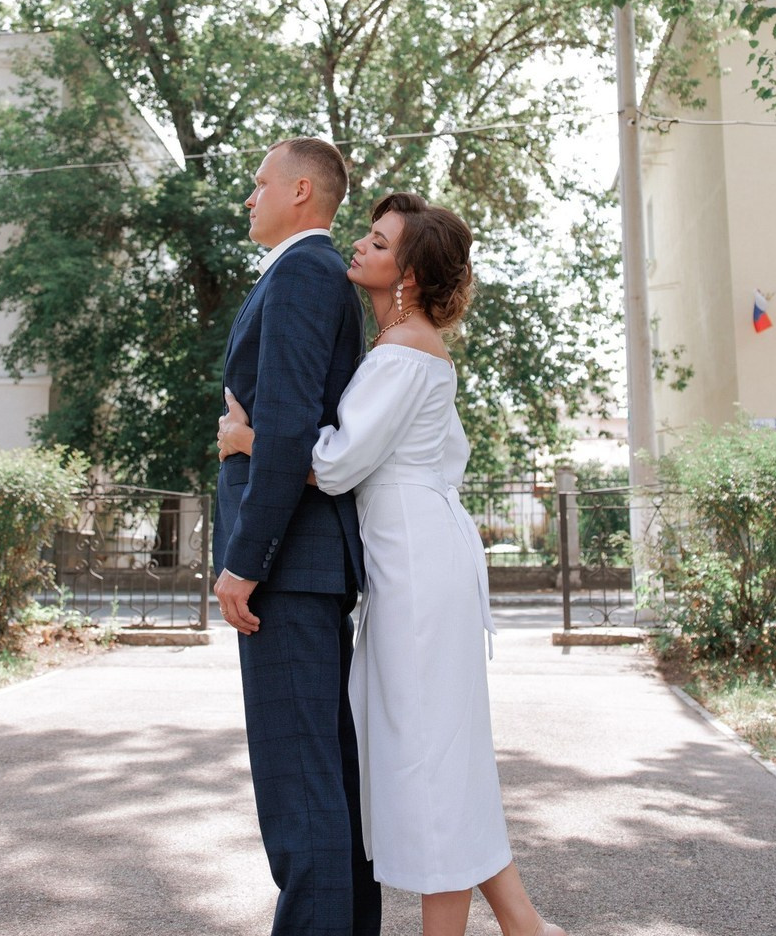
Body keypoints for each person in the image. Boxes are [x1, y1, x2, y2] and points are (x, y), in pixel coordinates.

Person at [219, 191, 569, 936]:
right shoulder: (401, 347)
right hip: (409, 555)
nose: (361, 249)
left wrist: (249, 440)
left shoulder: (405, 351)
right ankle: (522, 923)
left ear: (406, 274)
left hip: (416, 564)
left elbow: (339, 464)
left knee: (427, 755)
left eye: (379, 244)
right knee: (432, 748)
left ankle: (512, 926)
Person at [213, 138, 382, 936]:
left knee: (301, 785)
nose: (250, 198)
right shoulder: (307, 273)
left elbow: (286, 426)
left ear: (302, 191)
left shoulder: (305, 272)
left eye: (259, 184)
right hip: (303, 566)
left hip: (290, 569)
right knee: (320, 777)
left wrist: (245, 562)